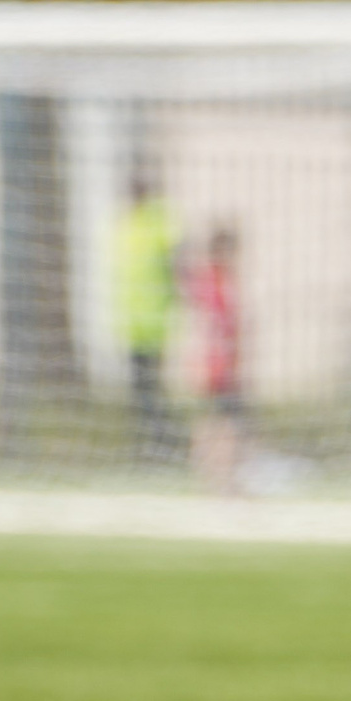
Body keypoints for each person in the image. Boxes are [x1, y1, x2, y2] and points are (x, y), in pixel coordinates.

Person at [115, 172, 180, 460]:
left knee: (153, 390)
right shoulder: (123, 224)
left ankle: (163, 444)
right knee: (141, 392)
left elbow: (177, 265)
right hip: (131, 323)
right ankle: (151, 443)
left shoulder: (160, 224)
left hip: (154, 322)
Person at [186, 224, 246, 493]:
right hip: (217, 363)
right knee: (224, 420)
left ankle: (216, 475)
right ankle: (220, 477)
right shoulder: (213, 281)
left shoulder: (218, 279)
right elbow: (215, 323)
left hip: (221, 360)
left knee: (219, 418)